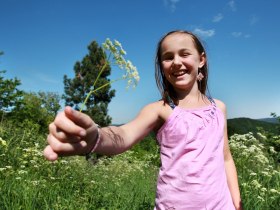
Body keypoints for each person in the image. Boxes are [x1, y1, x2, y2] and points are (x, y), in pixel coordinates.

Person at [44, 30, 243, 210]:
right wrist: (95, 137)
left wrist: (236, 202)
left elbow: (225, 157)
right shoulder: (159, 110)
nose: (176, 62)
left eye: (184, 54)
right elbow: (124, 134)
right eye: (168, 57)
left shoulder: (219, 107)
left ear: (201, 60)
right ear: (162, 67)